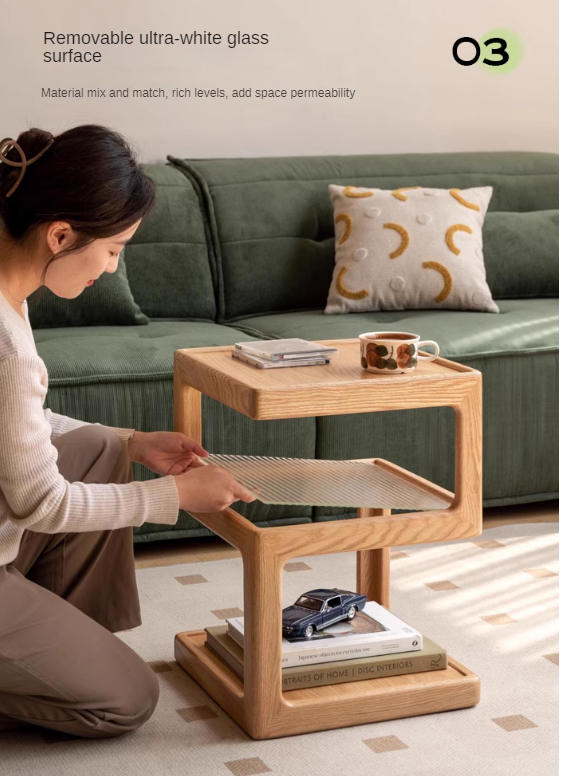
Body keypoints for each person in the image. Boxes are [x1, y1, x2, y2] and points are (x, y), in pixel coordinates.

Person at [0, 125, 257, 739]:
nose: (113, 268)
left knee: (94, 447)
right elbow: (42, 502)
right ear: (60, 234)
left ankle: (55, 646)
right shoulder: (7, 346)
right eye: (113, 249)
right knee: (126, 699)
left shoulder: (11, 293)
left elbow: (15, 424)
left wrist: (130, 441)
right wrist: (176, 498)